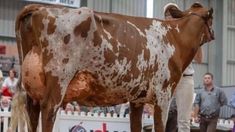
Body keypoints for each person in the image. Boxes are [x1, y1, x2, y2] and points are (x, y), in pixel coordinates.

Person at [163, 3, 203, 132]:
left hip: (185, 78)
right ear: (164, 18)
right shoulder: (161, 34)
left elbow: (199, 59)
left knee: (184, 121)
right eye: (168, 14)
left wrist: (198, 40)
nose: (170, 16)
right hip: (166, 79)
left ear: (178, 16)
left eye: (173, 14)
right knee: (160, 119)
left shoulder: (189, 34)